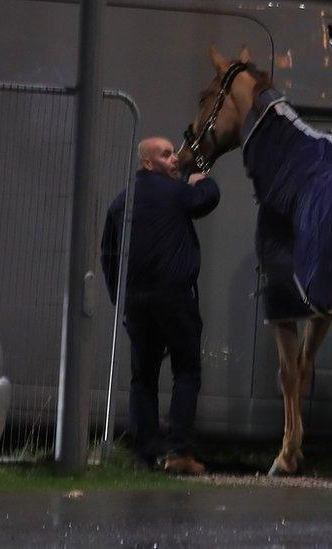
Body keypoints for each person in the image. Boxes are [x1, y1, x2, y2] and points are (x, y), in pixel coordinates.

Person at [101, 136, 220, 475]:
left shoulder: (120, 202)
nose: (173, 160)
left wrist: (119, 299)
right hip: (175, 298)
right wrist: (202, 180)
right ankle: (179, 452)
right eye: (166, 155)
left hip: (136, 303)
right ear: (148, 163)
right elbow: (207, 200)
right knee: (186, 371)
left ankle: (143, 455)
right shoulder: (176, 192)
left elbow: (108, 255)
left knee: (143, 378)